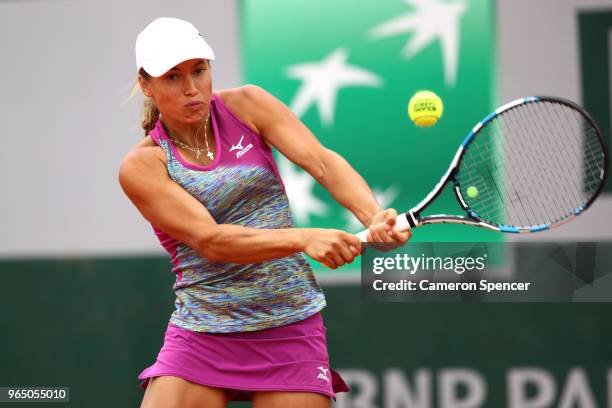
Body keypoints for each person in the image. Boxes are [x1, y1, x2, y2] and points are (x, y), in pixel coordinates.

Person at [119, 17, 411, 408]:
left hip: (290, 323)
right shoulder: (143, 166)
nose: (191, 89)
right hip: (204, 331)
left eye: (199, 71)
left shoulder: (247, 105)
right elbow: (212, 240)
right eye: (172, 77)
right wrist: (304, 238)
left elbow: (322, 163)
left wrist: (373, 217)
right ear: (146, 84)